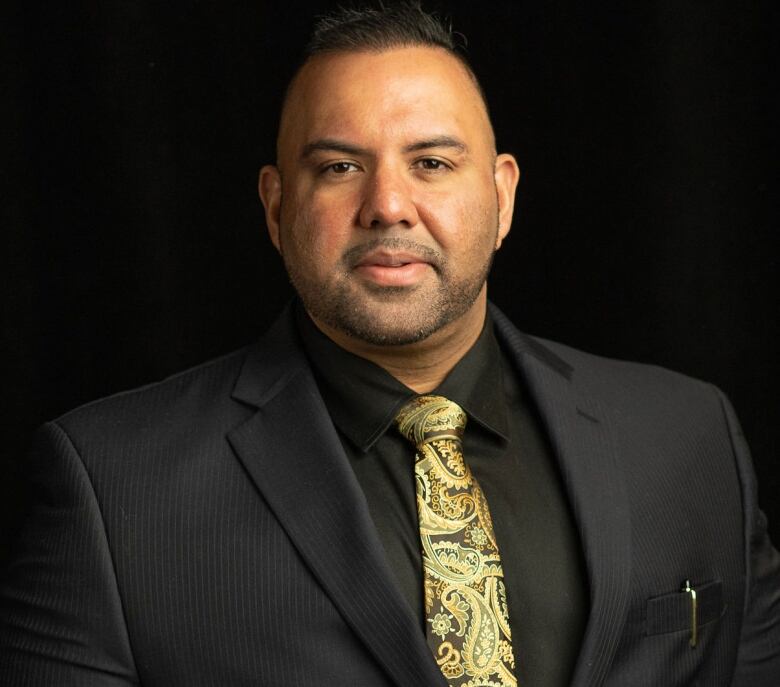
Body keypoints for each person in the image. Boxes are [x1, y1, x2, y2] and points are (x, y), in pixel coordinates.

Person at [2, 3, 779, 686]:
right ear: (276, 209)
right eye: (339, 167)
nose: (388, 205)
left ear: (503, 197)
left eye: (432, 163)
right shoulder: (110, 493)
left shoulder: (690, 439)